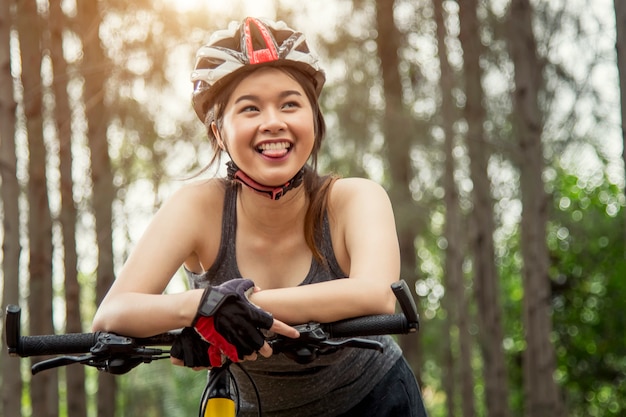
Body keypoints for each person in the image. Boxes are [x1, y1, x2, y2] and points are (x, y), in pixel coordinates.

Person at [92, 16, 428, 417]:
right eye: (250, 108)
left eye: (290, 104)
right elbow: (113, 313)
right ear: (219, 133)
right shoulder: (197, 207)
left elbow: (375, 294)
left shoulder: (355, 197)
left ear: (314, 121)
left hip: (375, 402)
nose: (273, 122)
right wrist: (203, 305)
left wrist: (235, 306)